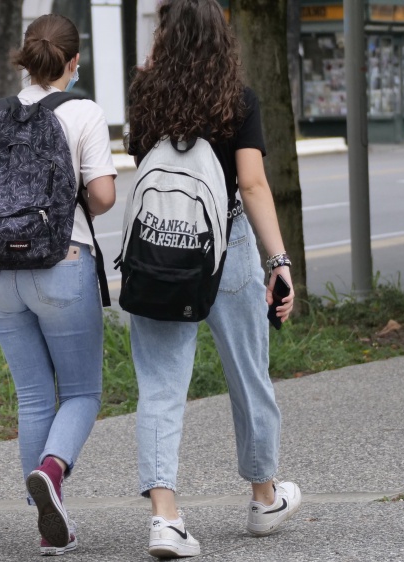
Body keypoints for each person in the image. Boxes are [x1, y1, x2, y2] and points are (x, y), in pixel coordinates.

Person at [124, 0, 300, 558]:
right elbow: (251, 185)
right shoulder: (238, 100)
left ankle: (165, 517)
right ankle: (264, 496)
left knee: (159, 385)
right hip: (226, 246)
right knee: (249, 374)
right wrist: (279, 263)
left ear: (166, 38)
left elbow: (145, 166)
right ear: (220, 39)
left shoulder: (147, 95)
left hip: (157, 250)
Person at [0, 14, 117, 557]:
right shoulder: (84, 112)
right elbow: (103, 198)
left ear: (26, 59)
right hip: (61, 265)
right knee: (81, 393)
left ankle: (48, 524)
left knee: (32, 396)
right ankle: (51, 470)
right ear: (72, 62)